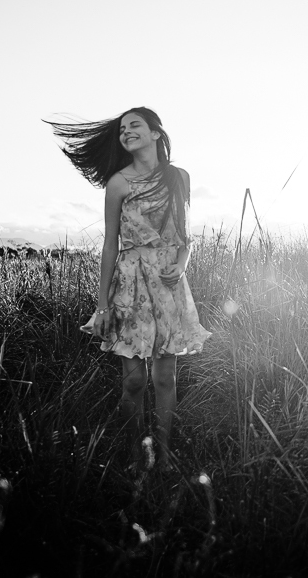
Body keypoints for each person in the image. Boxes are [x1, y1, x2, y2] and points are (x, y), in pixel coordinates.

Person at [48, 107, 210, 471]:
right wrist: (102, 304)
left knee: (165, 376)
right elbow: (110, 245)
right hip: (131, 281)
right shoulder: (118, 183)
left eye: (134, 125)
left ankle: (164, 454)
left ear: (155, 133)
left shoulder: (178, 178)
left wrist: (182, 262)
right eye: (122, 129)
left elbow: (186, 237)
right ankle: (137, 456)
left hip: (169, 282)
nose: (126, 132)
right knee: (135, 381)